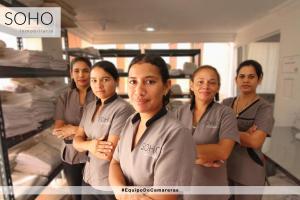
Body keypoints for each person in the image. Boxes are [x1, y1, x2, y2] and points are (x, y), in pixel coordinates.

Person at [109, 54, 195, 200]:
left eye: (149, 82)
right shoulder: (131, 121)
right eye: (133, 82)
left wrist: (122, 194)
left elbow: (164, 196)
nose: (139, 91)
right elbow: (114, 163)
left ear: (166, 86)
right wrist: (121, 192)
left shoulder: (176, 134)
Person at [173, 65, 239, 200]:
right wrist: (200, 158)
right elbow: (168, 149)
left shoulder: (226, 113)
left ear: (218, 87)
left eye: (212, 82)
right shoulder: (180, 112)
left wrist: (183, 153)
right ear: (191, 85)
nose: (206, 86)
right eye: (200, 81)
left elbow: (223, 151)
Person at [73, 60, 134, 200]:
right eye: (94, 80)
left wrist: (84, 143)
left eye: (105, 79)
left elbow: (108, 152)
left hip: (108, 184)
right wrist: (90, 145)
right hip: (88, 178)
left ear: (116, 81)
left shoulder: (123, 109)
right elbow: (76, 141)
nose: (98, 85)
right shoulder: (89, 108)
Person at [222, 60, 274, 200]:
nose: (246, 80)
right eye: (242, 76)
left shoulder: (264, 108)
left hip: (249, 172)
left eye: (251, 77)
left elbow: (255, 142)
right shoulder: (226, 104)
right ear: (236, 79)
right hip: (224, 170)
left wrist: (226, 131)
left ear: (260, 79)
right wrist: (244, 134)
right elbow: (214, 133)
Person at [53, 57, 95, 200]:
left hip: (94, 154)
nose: (81, 75)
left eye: (85, 71)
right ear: (71, 74)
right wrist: (86, 131)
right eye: (76, 71)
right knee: (77, 196)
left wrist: (71, 129)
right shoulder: (64, 97)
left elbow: (104, 130)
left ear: (91, 73)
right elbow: (59, 129)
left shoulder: (99, 96)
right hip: (71, 156)